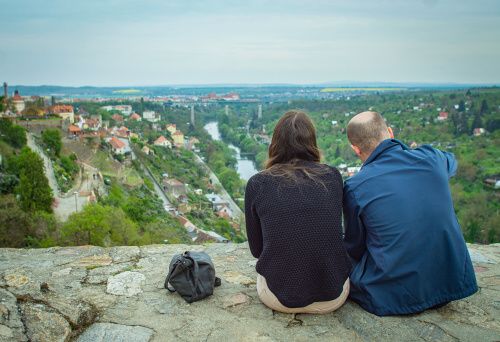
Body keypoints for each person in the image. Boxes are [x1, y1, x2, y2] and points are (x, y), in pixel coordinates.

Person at [343, 111, 478, 316]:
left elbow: (355, 246)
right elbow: (452, 161)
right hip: (450, 283)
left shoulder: (355, 187)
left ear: (355, 148)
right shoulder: (432, 159)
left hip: (391, 296)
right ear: (390, 132)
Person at [245, 110, 351, 314]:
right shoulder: (333, 176)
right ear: (311, 142)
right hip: (333, 296)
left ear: (275, 143)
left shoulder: (258, 184)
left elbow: (257, 250)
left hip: (279, 297)